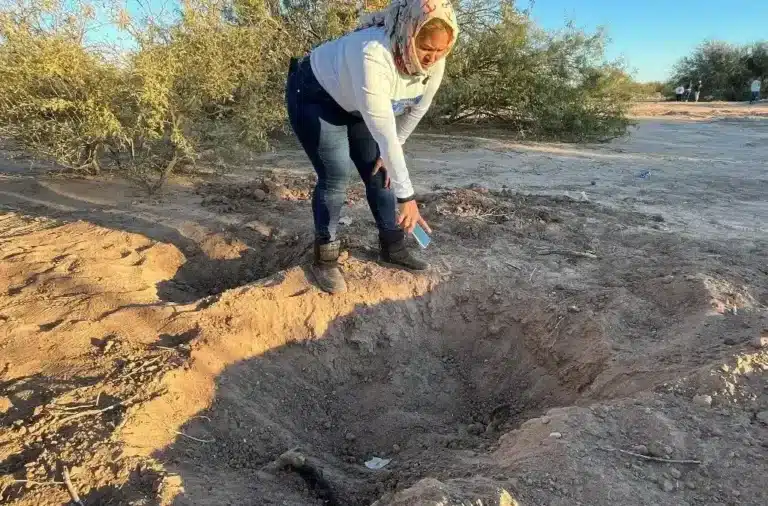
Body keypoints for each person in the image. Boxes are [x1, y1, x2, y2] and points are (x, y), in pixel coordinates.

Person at [285, 0, 459, 294]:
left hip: (355, 102)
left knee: (380, 170)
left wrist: (394, 151)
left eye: (441, 50)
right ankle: (325, 258)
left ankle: (393, 247)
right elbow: (385, 133)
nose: (432, 57)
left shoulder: (435, 64)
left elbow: (417, 109)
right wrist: (407, 198)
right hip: (316, 95)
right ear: (409, 33)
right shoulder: (373, 54)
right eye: (426, 48)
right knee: (336, 175)